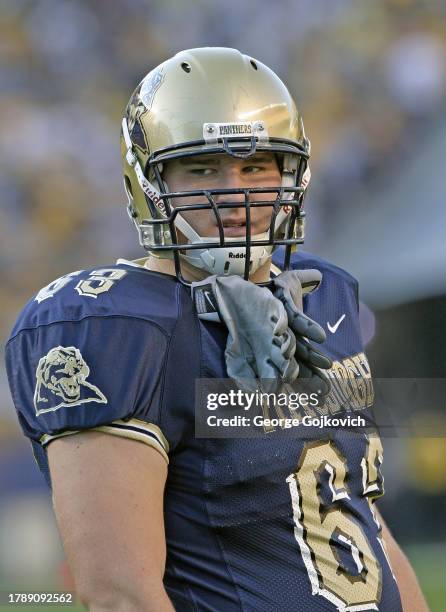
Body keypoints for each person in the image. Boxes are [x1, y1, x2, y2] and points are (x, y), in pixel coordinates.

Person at [5, 47, 427, 611]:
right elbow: (118, 591)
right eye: (201, 170)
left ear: (291, 173)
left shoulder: (324, 299)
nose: (234, 194)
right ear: (149, 183)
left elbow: (364, 518)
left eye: (256, 166)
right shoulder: (116, 326)